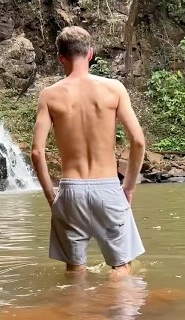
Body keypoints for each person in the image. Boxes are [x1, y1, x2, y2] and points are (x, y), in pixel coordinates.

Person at [31, 26, 146, 278]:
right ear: (91, 54)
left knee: (75, 269)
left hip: (71, 189)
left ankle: (75, 315)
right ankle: (119, 313)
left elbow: (37, 153)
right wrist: (128, 188)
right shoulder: (114, 89)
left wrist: (52, 197)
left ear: (60, 57)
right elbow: (138, 141)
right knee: (121, 266)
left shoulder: (49, 95)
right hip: (107, 187)